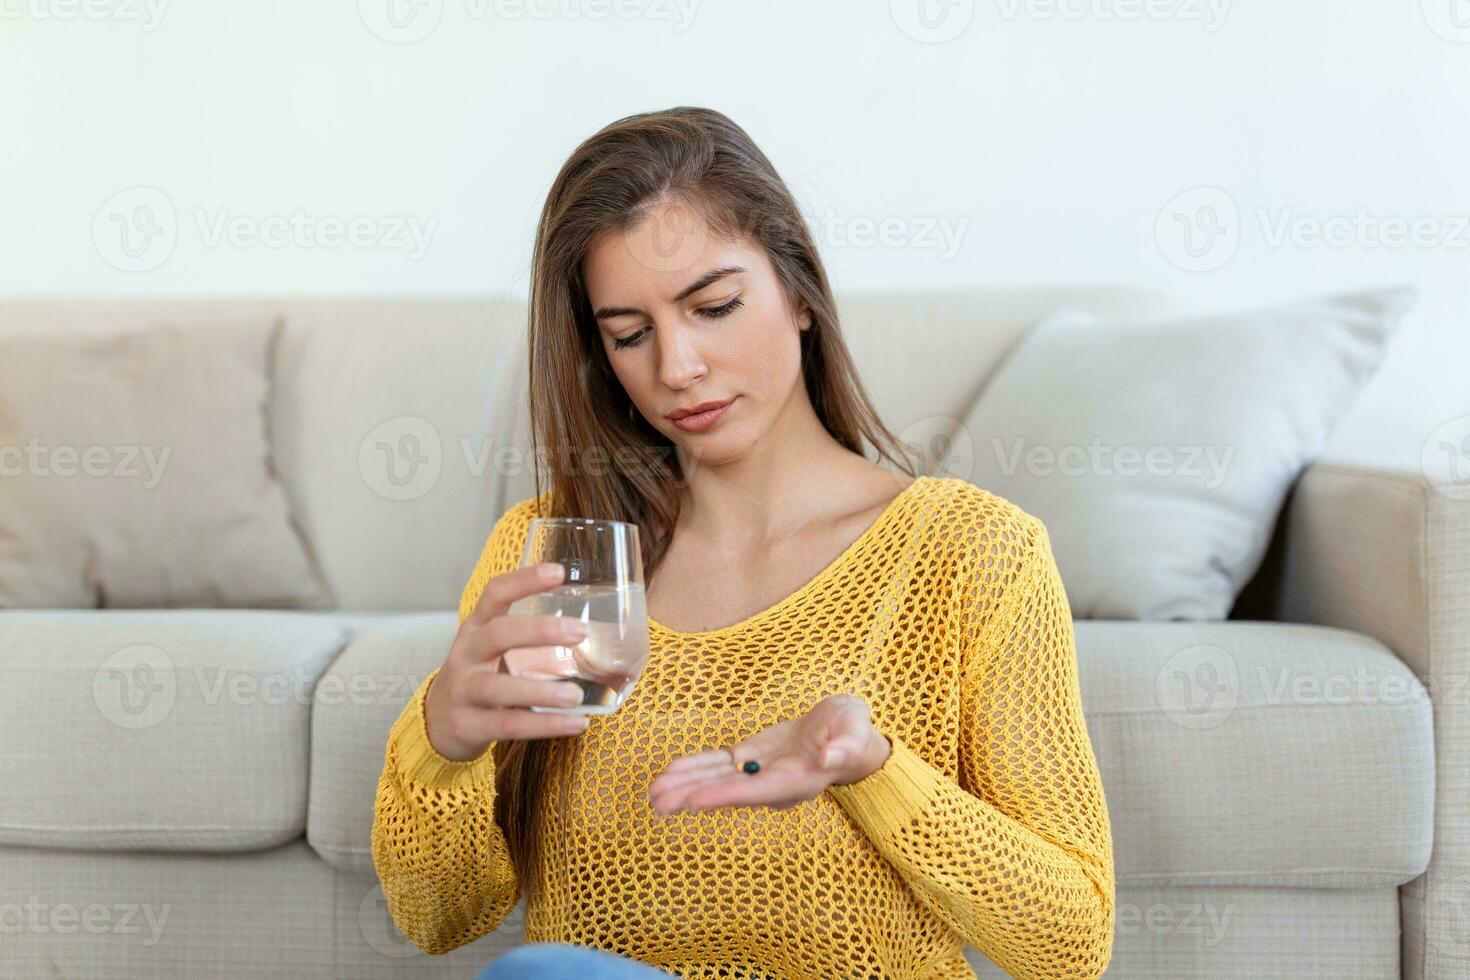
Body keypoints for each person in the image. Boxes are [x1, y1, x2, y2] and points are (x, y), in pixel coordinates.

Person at [370, 106, 1115, 980]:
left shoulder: (973, 553)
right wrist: (441, 742)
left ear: (798, 291)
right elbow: (440, 920)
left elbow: (1070, 949)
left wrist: (872, 770)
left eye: (714, 306)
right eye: (629, 335)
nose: (676, 367)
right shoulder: (556, 559)